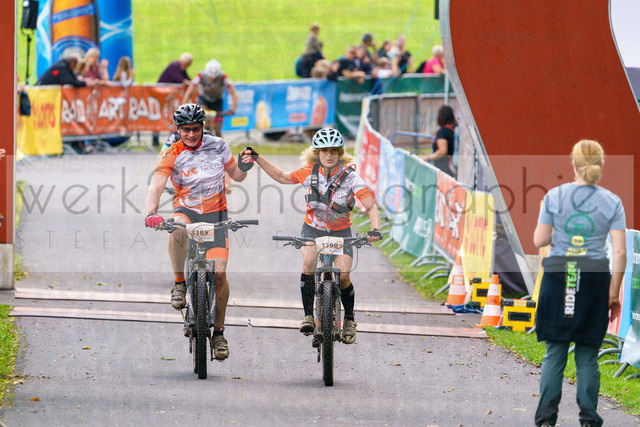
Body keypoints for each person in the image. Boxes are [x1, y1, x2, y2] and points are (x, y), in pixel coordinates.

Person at [240, 128, 382, 344]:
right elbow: (281, 176)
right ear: (317, 153)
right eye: (324, 151)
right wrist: (257, 158)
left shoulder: (351, 177)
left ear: (340, 152)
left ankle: (350, 320)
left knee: (344, 276)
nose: (329, 155)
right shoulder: (308, 172)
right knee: (309, 262)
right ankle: (308, 315)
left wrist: (375, 229)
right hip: (312, 229)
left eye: (333, 150)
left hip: (341, 232)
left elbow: (370, 205)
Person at [145, 104, 252, 361]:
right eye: (186, 130)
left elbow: (236, 176)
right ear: (178, 130)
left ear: (203, 127)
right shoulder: (172, 152)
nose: (191, 134)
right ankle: (179, 284)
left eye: (195, 129)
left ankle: (219, 334)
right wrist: (151, 212)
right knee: (176, 226)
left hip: (216, 214)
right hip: (187, 209)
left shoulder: (218, 145)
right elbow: (156, 185)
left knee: (220, 274)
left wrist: (245, 165)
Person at [533, 139, 626, 427]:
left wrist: (557, 229)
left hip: (559, 275)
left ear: (573, 164)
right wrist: (613, 293)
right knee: (587, 354)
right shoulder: (613, 201)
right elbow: (620, 253)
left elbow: (539, 240)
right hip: (594, 280)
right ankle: (588, 420)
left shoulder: (554, 196)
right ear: (601, 164)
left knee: (554, 351)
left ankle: (546, 419)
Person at [182, 59, 238, 138]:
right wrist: (184, 107)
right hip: (204, 100)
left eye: (215, 78)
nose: (212, 79)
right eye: (210, 77)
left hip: (217, 102)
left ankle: (220, 144)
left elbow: (234, 94)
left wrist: (233, 109)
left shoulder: (223, 77)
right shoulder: (200, 75)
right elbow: (189, 92)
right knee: (204, 125)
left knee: (217, 129)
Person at [422, 105, 457, 176]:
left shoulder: (443, 131)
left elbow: (443, 151)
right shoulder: (453, 129)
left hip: (444, 167)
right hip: (451, 167)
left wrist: (427, 158)